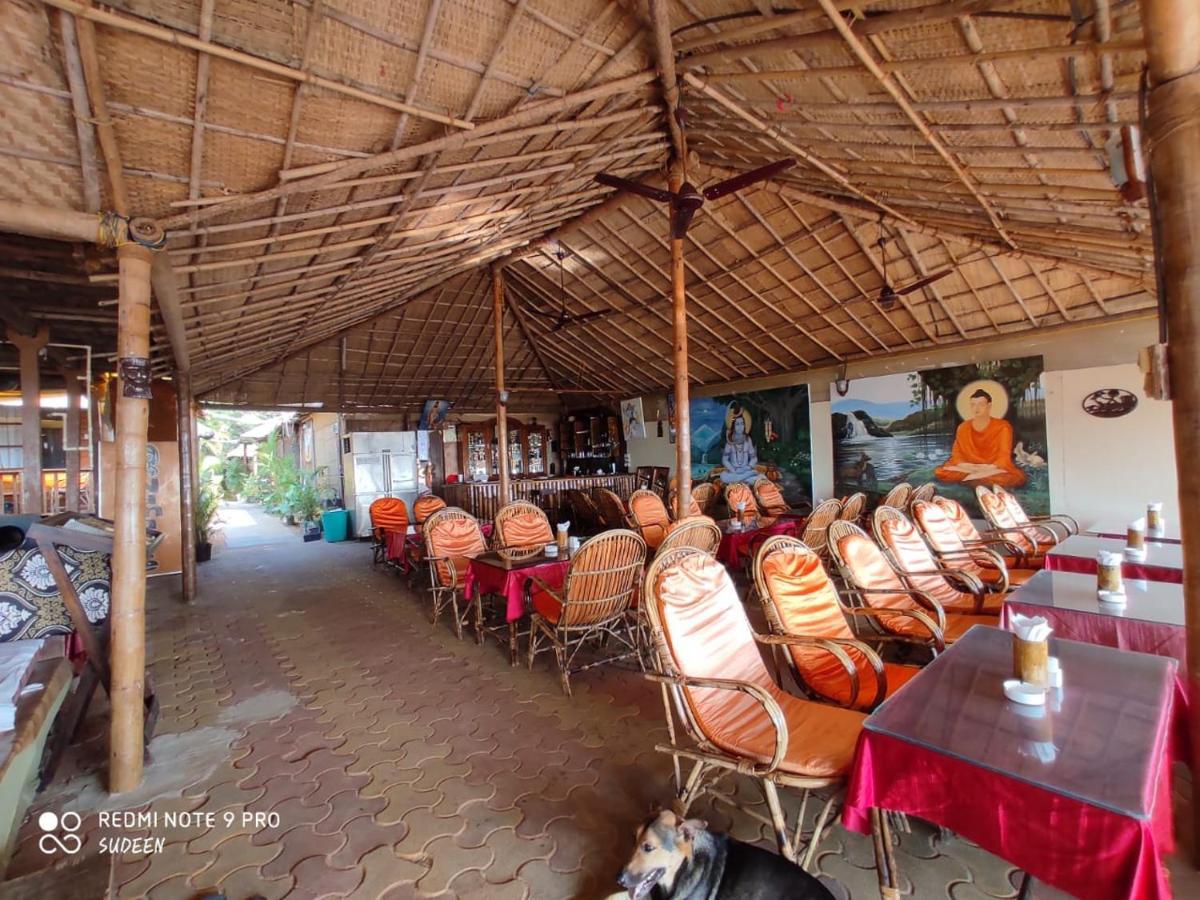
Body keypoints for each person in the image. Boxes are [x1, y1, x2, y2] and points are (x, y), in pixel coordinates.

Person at [934, 388, 1026, 488]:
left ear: (989, 406)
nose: (976, 408)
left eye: (981, 404)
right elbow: (957, 455)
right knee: (941, 471)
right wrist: (970, 467)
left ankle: (972, 478)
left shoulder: (1003, 427)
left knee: (1015, 477)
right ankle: (976, 478)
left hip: (993, 468)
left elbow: (1003, 457)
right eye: (973, 405)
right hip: (969, 467)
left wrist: (988, 467)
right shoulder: (963, 427)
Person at [719, 405, 759, 484]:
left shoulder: (748, 440)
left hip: (746, 470)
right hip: (734, 472)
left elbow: (754, 458)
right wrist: (733, 470)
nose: (740, 427)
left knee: (762, 478)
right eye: (737, 424)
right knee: (723, 476)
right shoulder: (730, 441)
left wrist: (748, 467)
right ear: (733, 426)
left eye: (742, 424)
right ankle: (744, 478)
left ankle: (742, 478)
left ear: (745, 425)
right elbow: (725, 460)